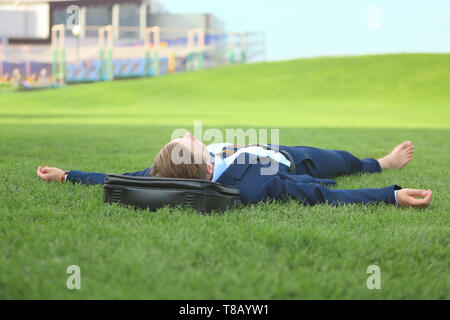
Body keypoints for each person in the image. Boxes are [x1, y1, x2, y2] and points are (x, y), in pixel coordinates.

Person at [37, 132, 432, 208]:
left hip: (258, 147)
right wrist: (390, 194)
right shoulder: (256, 187)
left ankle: (378, 161)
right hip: (286, 159)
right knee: (340, 162)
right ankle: (383, 167)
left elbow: (114, 179)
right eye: (194, 143)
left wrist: (67, 175)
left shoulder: (163, 172)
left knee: (347, 157)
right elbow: (322, 195)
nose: (194, 136)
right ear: (208, 167)